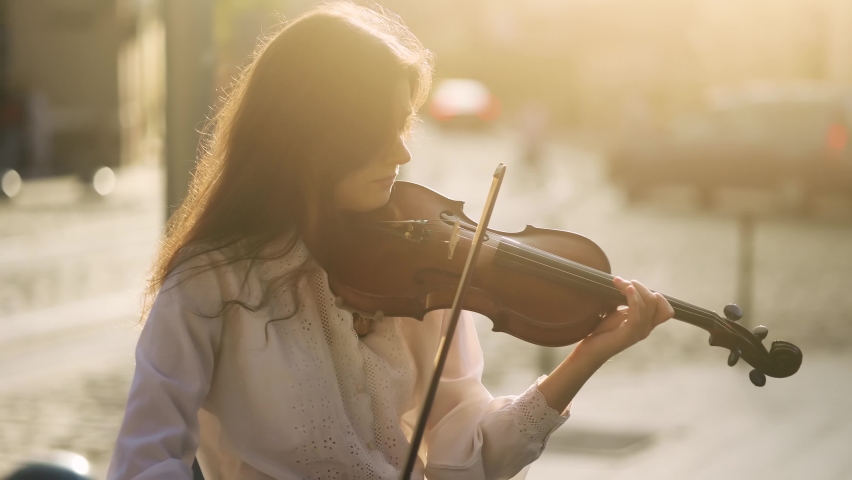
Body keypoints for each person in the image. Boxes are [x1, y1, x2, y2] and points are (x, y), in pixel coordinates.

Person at [107, 3, 674, 479]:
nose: (402, 154)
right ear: (308, 133)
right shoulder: (212, 280)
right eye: (377, 131)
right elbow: (144, 461)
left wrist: (587, 357)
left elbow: (465, 461)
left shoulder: (419, 269)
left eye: (403, 126)